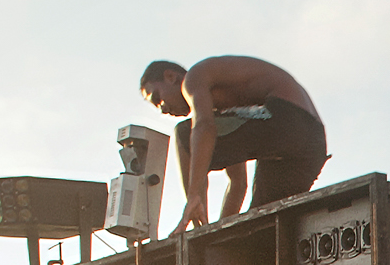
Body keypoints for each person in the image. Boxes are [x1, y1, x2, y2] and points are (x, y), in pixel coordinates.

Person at [139, 55, 329, 235]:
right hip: (311, 147)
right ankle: (211, 239)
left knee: (183, 134)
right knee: (261, 224)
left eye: (157, 98)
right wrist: (217, 238)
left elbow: (203, 126)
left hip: (288, 117)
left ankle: (198, 225)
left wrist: (194, 195)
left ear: (170, 77)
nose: (162, 109)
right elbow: (237, 184)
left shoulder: (194, 78)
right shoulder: (228, 110)